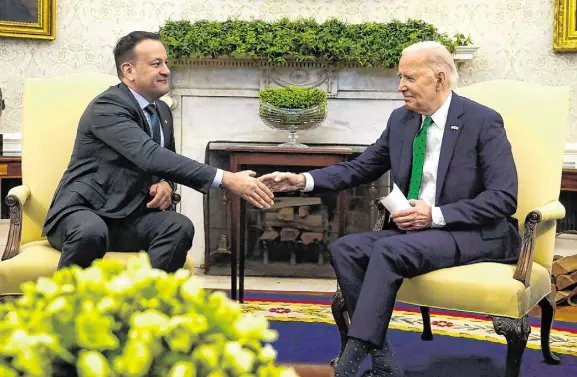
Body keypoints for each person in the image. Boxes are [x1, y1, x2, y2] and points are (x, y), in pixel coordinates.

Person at [258, 41, 521, 377]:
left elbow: (503, 198)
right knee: (346, 248)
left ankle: (350, 362)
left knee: (390, 249)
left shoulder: (482, 121)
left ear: (439, 79)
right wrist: (301, 181)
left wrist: (434, 214)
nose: (400, 86)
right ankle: (383, 362)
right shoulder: (402, 120)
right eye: (400, 77)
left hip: (473, 232)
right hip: (418, 234)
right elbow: (360, 167)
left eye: (409, 77)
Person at [43, 31, 274, 272]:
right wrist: (226, 178)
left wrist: (165, 183)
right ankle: (66, 306)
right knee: (91, 231)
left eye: (165, 62)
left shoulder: (161, 111)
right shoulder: (108, 106)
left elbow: (164, 165)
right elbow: (149, 155)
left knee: (178, 226)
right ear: (128, 70)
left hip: (129, 219)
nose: (166, 70)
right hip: (83, 212)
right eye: (156, 64)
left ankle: (143, 304)